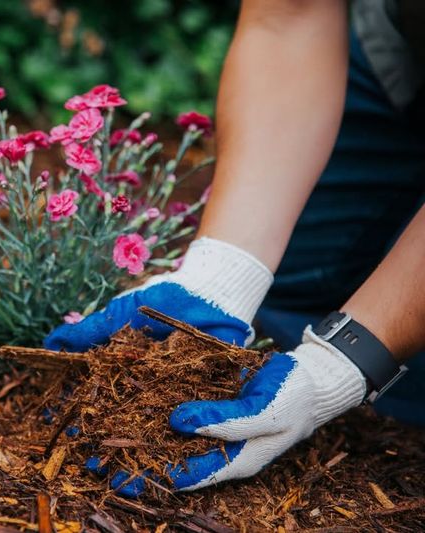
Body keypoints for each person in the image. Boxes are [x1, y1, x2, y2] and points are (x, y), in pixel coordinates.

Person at [44, 0, 425, 493]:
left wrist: (343, 365)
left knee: (402, 391)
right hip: (403, 54)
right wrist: (221, 274)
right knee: (281, 296)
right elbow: (289, 18)